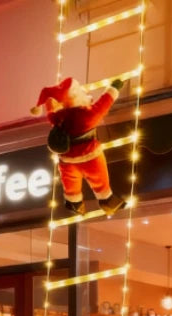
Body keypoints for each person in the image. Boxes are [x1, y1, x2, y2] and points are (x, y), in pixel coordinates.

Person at [31, 76, 126, 216]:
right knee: (100, 181)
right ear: (75, 95)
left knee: (71, 185)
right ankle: (107, 201)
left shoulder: (59, 118)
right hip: (90, 157)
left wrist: (49, 104)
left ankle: (74, 203)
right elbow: (104, 104)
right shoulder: (88, 114)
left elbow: (50, 114)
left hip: (67, 162)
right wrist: (113, 88)